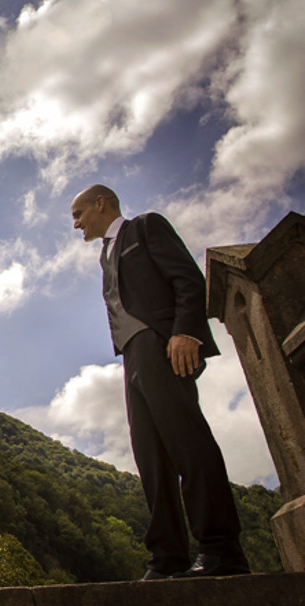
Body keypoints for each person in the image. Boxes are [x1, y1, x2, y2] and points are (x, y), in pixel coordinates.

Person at [70, 184, 250, 580]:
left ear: (101, 204)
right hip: (131, 355)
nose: (76, 224)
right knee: (150, 458)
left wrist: (185, 332)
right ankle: (168, 558)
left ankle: (223, 551)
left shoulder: (146, 227)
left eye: (78, 214)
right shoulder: (105, 255)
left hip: (161, 343)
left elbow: (188, 279)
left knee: (188, 443)